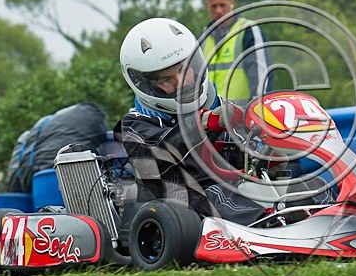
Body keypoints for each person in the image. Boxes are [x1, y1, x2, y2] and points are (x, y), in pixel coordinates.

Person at [115, 17, 269, 225]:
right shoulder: (134, 125)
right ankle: (267, 224)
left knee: (306, 181)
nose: (182, 83)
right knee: (215, 194)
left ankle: (308, 218)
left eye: (184, 70)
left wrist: (269, 148)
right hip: (181, 202)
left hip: (240, 189)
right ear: (144, 85)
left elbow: (253, 157)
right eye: (167, 80)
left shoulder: (222, 107)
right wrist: (204, 122)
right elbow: (167, 148)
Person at [202, 0, 271, 105]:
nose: (218, 10)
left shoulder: (248, 30)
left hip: (241, 117)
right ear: (208, 7)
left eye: (222, 5)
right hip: (210, 119)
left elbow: (261, 76)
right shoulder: (203, 39)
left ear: (231, 2)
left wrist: (257, 111)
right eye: (214, 6)